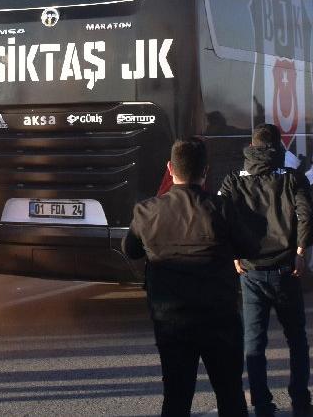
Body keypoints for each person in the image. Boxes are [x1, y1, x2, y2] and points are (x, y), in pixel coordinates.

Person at [124, 138, 254, 417]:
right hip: (219, 317)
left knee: (176, 397)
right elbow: (250, 247)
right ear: (205, 170)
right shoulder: (221, 208)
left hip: (171, 319)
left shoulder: (147, 210)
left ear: (170, 169)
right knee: (230, 394)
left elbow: (131, 250)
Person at [220, 124, 313, 417]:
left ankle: (262, 405)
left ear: (252, 146)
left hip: (250, 271)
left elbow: (221, 218)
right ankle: (300, 402)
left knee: (254, 342)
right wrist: (300, 251)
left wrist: (234, 254)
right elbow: (306, 215)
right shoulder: (292, 177)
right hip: (286, 269)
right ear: (279, 147)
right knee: (296, 339)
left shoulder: (233, 180)